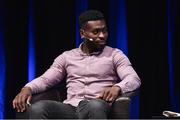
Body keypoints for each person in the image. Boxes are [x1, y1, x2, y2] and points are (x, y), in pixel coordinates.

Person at [12, 10, 141, 119]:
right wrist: (27, 88)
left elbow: (133, 78)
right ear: (82, 33)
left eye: (104, 31)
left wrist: (117, 87)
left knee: (94, 106)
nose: (102, 36)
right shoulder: (67, 57)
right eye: (96, 32)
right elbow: (46, 80)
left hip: (98, 105)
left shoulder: (115, 55)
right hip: (70, 107)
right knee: (39, 108)